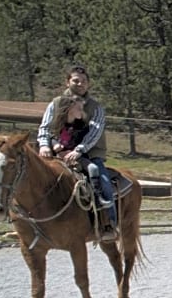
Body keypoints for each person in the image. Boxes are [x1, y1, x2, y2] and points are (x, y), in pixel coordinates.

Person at [38, 64, 116, 237]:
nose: (80, 84)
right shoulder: (56, 103)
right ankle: (29, 223)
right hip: (58, 152)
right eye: (75, 80)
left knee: (104, 182)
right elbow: (46, 127)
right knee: (33, 179)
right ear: (67, 82)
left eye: (83, 81)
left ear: (88, 84)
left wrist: (78, 150)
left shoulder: (95, 107)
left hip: (88, 153)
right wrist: (45, 145)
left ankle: (108, 223)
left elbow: (95, 132)